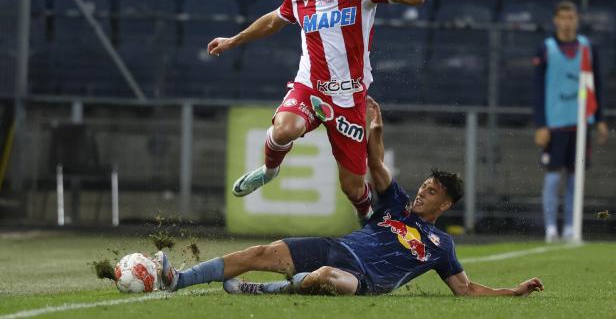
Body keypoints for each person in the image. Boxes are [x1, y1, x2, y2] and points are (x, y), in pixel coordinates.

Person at [155, 97, 544, 297]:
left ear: (446, 206)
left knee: (323, 278)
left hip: (362, 279)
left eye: (433, 192)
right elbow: (375, 166)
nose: (424, 192)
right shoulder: (397, 204)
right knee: (260, 253)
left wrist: (513, 291)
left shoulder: (441, 246)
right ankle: (179, 279)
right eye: (425, 186)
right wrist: (376, 128)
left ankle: (267, 289)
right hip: (335, 247)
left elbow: (465, 289)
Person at [207, 0, 424, 221]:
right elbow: (274, 20)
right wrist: (233, 40)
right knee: (284, 129)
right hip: (310, 88)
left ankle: (368, 218)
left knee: (352, 186)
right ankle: (270, 171)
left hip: (348, 97)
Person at [533, 0, 609, 243]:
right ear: (555, 20)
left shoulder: (588, 47)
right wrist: (540, 124)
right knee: (554, 176)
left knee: (576, 178)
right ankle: (551, 229)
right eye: (562, 17)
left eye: (571, 17)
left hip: (580, 122)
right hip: (554, 123)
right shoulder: (546, 48)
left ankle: (570, 228)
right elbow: (537, 88)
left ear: (576, 19)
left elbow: (596, 84)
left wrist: (600, 120)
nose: (567, 22)